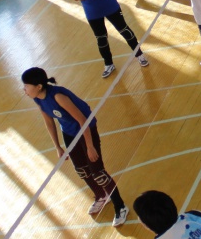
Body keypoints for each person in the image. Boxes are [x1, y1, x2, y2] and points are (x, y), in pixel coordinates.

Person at [22, 67, 129, 225]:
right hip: (69, 132)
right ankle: (101, 196)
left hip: (86, 129)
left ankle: (120, 206)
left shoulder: (58, 97)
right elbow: (49, 122)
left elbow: (82, 120)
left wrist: (90, 146)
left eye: (26, 86)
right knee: (81, 170)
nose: (24, 89)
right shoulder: (38, 99)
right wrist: (57, 146)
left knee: (97, 172)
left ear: (38, 86)